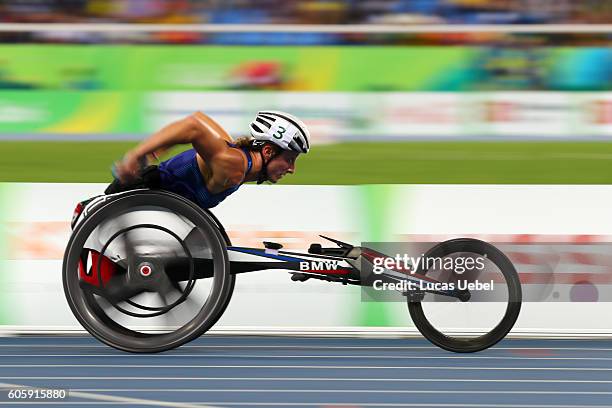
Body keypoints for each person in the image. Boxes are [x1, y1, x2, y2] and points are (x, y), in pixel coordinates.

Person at [106, 110, 310, 208]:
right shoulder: (233, 164)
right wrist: (136, 156)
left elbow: (199, 119)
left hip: (163, 211)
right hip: (136, 196)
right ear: (267, 152)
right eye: (290, 159)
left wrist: (152, 155)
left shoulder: (235, 155)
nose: (292, 169)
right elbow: (193, 125)